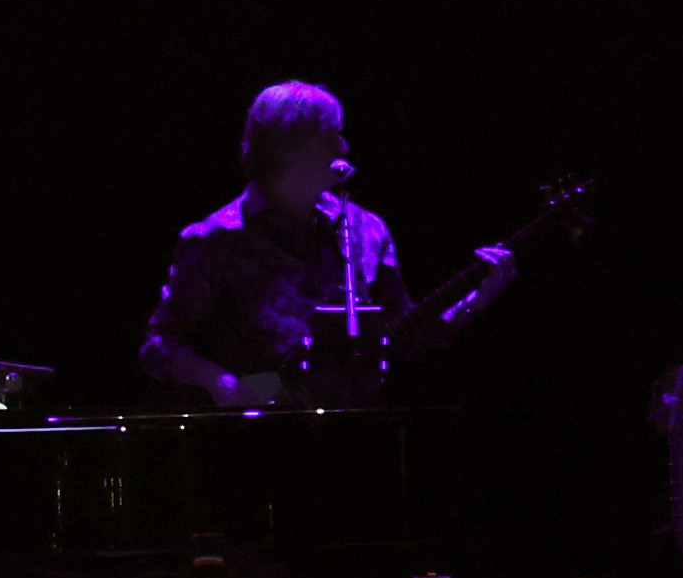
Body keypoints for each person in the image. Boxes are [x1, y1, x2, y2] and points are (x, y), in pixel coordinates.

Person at [139, 82, 509, 407]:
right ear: (291, 144)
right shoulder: (215, 239)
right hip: (256, 444)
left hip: (361, 433)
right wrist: (223, 383)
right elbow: (160, 346)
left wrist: (475, 301)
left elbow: (401, 338)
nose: (344, 146)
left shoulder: (366, 229)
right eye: (334, 133)